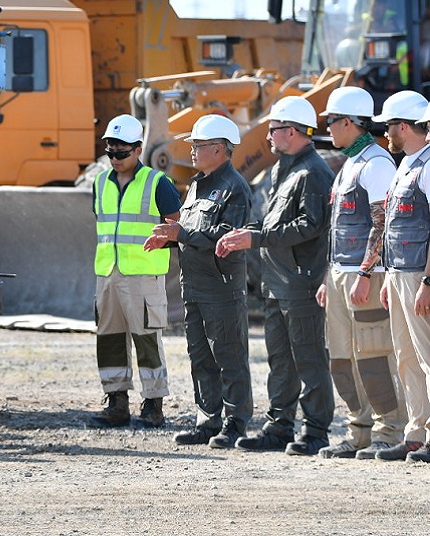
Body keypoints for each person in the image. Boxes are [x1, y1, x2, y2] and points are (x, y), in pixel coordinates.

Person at [215, 96, 335, 456]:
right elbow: (272, 222)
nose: (267, 135)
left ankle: (315, 432)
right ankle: (279, 426)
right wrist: (246, 233)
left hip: (301, 282)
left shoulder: (313, 173)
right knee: (280, 360)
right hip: (277, 281)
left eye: (274, 129)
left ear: (293, 131)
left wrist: (257, 238)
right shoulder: (283, 169)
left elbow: (310, 226)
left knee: (309, 358)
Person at [144, 114, 254, 449]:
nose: (191, 150)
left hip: (221, 288)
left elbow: (225, 236)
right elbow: (193, 233)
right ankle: (207, 421)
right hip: (194, 287)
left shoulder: (235, 188)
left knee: (229, 356)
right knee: (200, 357)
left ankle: (235, 423)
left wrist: (181, 234)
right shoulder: (196, 186)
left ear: (219, 149)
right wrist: (171, 239)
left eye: (198, 145)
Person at [314, 87, 405, 459]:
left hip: (366, 276)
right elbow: (338, 228)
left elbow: (382, 224)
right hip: (342, 275)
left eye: (331, 121)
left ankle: (388, 430)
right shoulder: (351, 163)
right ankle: (359, 432)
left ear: (349, 122)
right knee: (340, 358)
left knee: (373, 357)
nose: (328, 128)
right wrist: (329, 276)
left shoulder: (377, 164)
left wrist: (366, 274)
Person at [88, 115, 181, 428]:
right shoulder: (100, 183)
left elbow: (177, 229)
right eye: (110, 151)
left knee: (147, 340)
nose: (114, 158)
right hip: (107, 273)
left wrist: (163, 242)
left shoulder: (158, 183)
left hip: (143, 275)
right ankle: (116, 402)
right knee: (109, 338)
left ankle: (154, 405)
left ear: (138, 149)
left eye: (121, 152)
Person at [373, 90, 430, 462]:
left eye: (389, 125)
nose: (385, 133)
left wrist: (428, 281)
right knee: (406, 356)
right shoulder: (408, 163)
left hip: (418, 275)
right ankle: (416, 433)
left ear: (404, 126)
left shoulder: (428, 166)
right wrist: (388, 274)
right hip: (400, 274)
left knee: (428, 357)